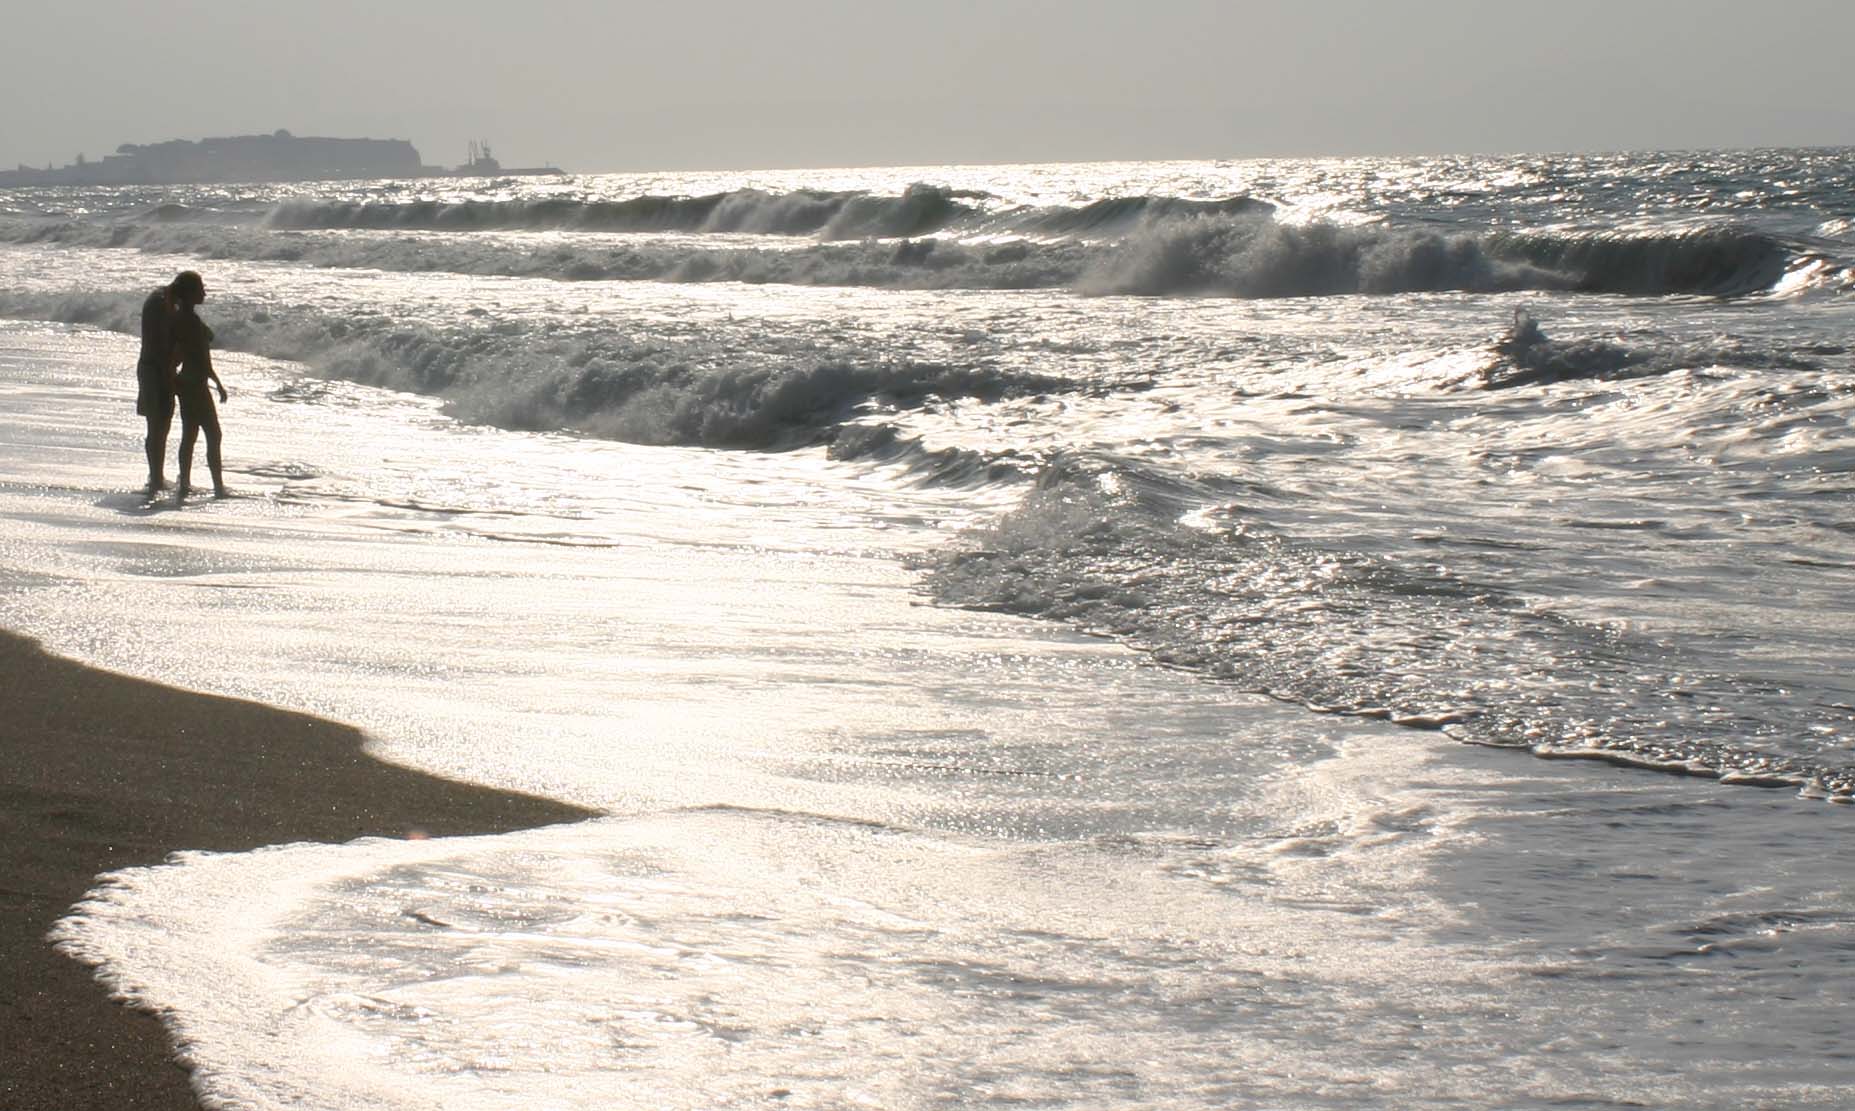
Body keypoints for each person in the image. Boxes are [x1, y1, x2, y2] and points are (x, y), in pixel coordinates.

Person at [169, 271, 228, 499]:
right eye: (200, 289)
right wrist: (217, 383)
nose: (204, 292)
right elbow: (198, 357)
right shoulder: (189, 321)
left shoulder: (182, 319)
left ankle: (185, 482)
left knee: (191, 434)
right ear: (190, 294)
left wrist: (216, 383)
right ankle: (218, 487)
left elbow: (189, 355)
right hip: (195, 385)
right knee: (213, 434)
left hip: (188, 383)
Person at [134, 277, 180, 492]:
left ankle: (156, 475)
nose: (204, 295)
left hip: (156, 367)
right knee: (157, 425)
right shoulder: (160, 304)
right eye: (200, 291)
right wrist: (169, 375)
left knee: (161, 425)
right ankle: (155, 478)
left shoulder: (164, 299)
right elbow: (161, 343)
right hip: (154, 369)